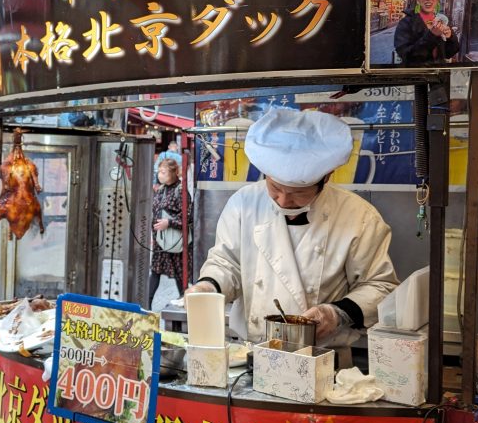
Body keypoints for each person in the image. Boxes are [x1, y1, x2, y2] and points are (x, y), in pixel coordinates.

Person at [188, 107, 397, 349]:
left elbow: (381, 286)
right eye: (275, 189)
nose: (284, 201)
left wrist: (338, 313)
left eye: (298, 193)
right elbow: (227, 264)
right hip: (254, 353)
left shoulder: (359, 217)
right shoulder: (243, 204)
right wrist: (208, 285)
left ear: (326, 177)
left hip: (325, 358)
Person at [149, 156, 190, 307]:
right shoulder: (160, 189)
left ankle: (184, 298)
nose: (160, 175)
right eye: (159, 172)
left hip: (175, 240)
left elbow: (188, 218)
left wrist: (170, 223)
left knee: (180, 273)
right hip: (161, 240)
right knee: (155, 271)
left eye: (163, 172)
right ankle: (146, 304)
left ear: (173, 173)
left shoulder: (181, 191)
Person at [393, 0, 460, 66]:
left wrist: (450, 37)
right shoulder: (406, 23)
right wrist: (432, 35)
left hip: (439, 74)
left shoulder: (442, 20)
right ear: (417, 0)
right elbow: (406, 55)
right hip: (417, 75)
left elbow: (449, 53)